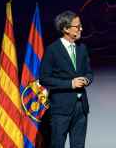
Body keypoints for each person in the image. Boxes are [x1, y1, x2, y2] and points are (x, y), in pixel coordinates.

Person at [39, 10, 93, 148]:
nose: (81, 28)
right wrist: (70, 84)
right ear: (65, 29)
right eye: (77, 26)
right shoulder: (52, 50)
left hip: (81, 108)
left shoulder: (82, 47)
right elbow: (44, 79)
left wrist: (86, 80)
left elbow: (89, 72)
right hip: (60, 110)